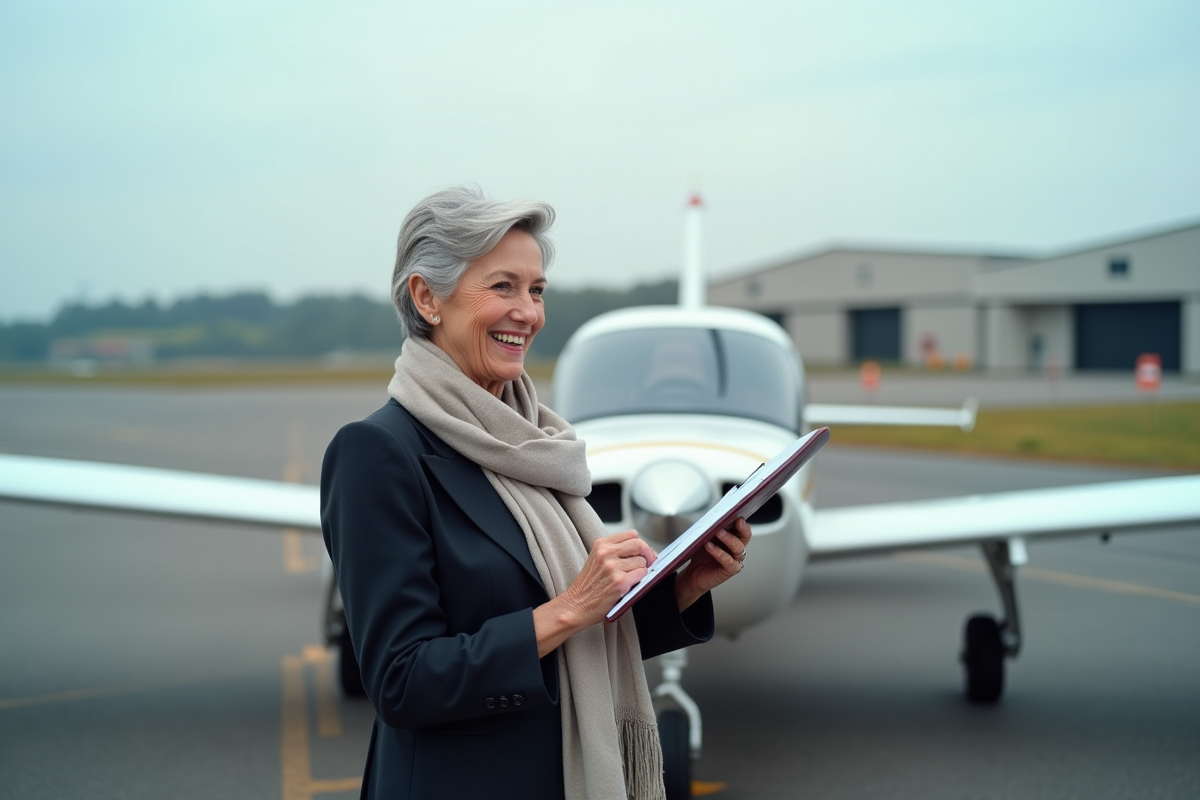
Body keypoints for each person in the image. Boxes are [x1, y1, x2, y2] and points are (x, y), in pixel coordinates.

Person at [321, 186, 752, 800]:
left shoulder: (535, 444)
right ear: (426, 298)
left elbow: (578, 641)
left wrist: (683, 587)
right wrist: (571, 605)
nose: (527, 311)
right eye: (502, 287)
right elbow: (401, 681)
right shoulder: (379, 452)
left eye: (536, 290)